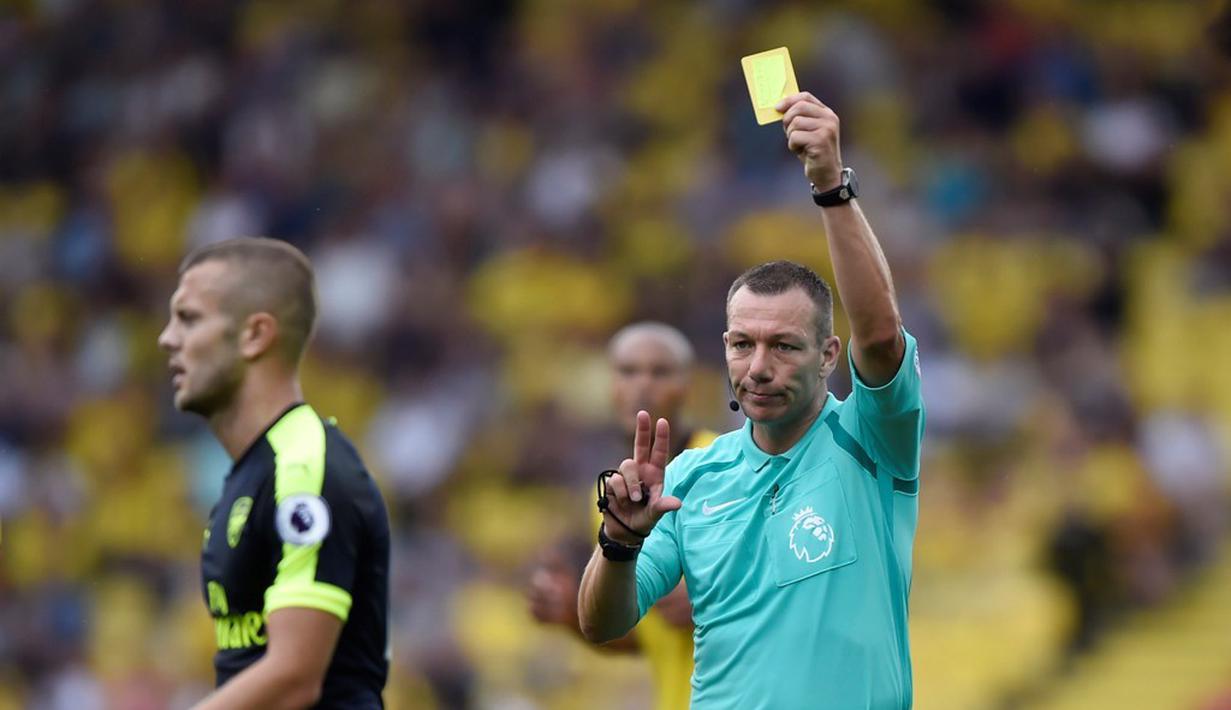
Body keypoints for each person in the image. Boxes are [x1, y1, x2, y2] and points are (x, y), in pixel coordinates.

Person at [577, 92, 925, 709]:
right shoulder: (691, 478)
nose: (758, 368)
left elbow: (879, 336)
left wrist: (830, 188)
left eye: (784, 346)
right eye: (743, 344)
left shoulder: (872, 441)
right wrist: (618, 542)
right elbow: (601, 622)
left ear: (827, 355)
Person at [157, 237, 390, 709]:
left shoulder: (304, 468)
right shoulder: (253, 473)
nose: (167, 338)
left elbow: (293, 677)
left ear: (255, 335)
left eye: (189, 318)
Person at [527, 322, 716, 710]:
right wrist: (571, 614)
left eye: (660, 372)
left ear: (688, 386)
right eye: (628, 371)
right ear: (610, 387)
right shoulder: (611, 498)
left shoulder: (723, 466)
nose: (642, 385)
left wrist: (714, 595)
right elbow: (645, 635)